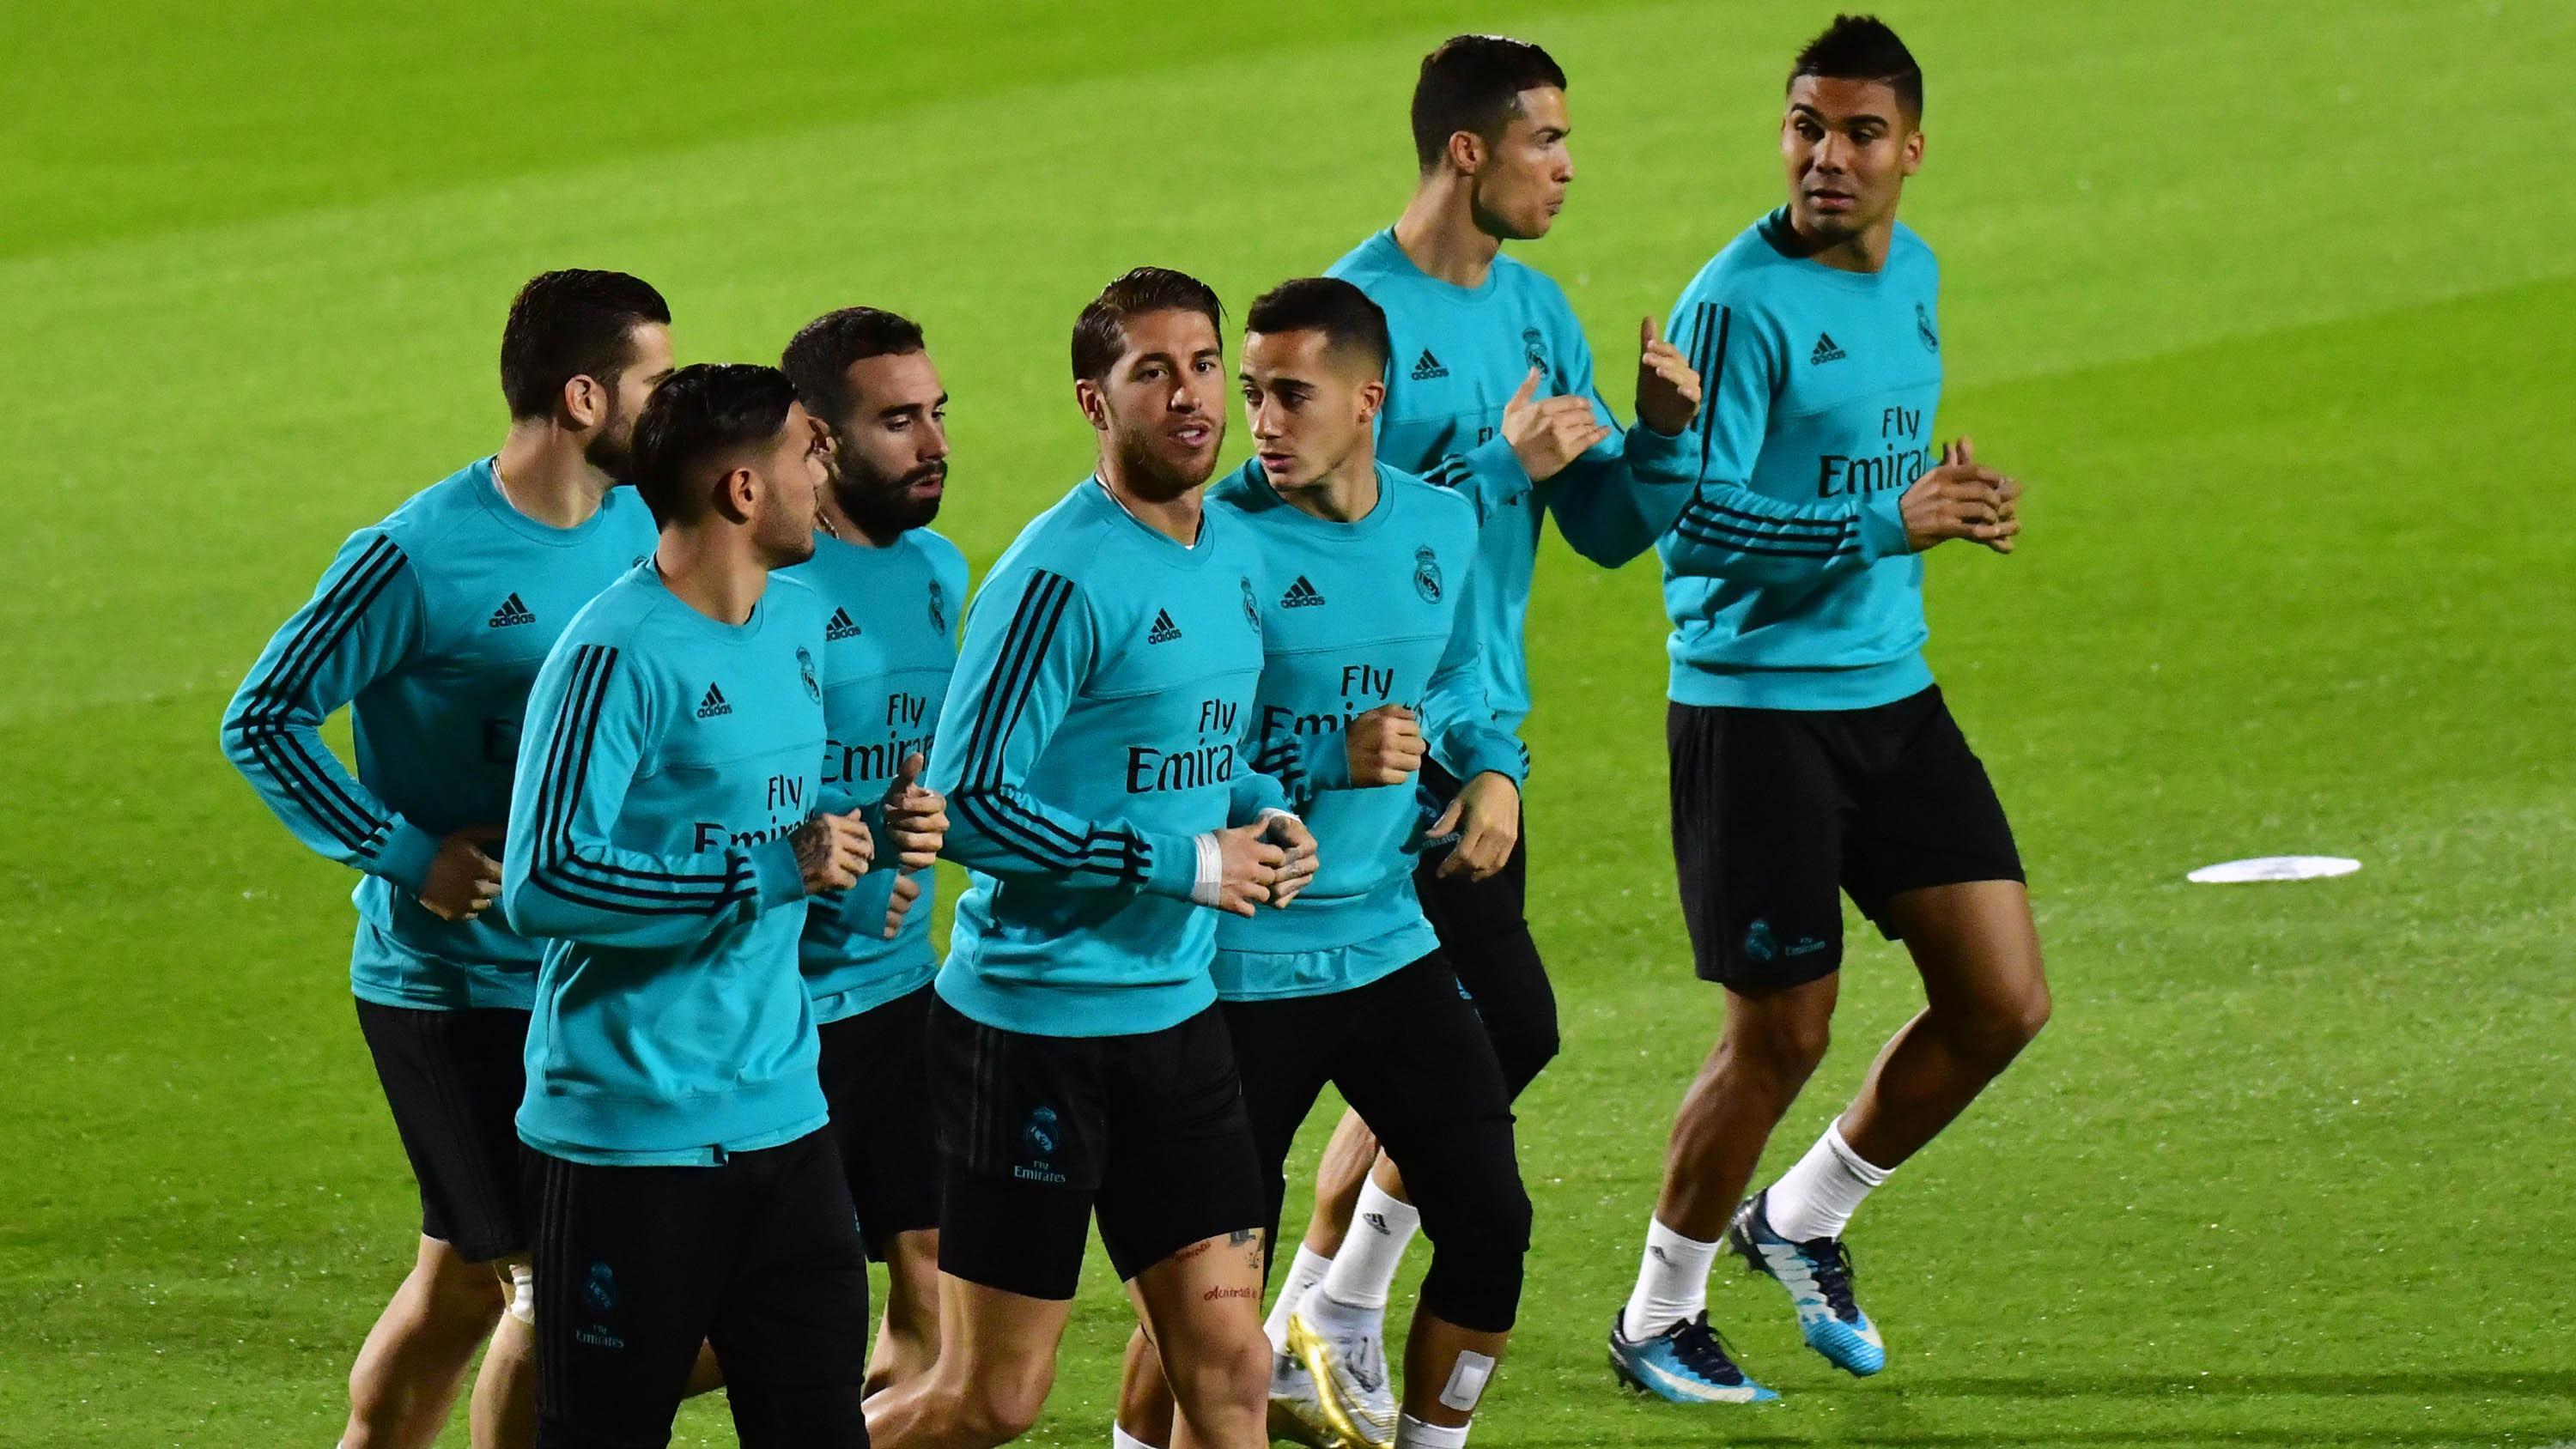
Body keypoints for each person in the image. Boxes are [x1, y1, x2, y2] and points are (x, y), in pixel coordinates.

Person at [1606, 15, 2047, 1405]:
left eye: (1859, 131)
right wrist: (1886, 520)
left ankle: (1799, 1216)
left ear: (1912, 149)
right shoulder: (1734, 303)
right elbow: (1690, 523)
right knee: (1780, 1033)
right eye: (1806, 125)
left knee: (2000, 997)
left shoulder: (1911, 270)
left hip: (1890, 693)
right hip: (1756, 712)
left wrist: (1940, 509)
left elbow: (1873, 475)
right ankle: (1656, 1311)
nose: (1828, 155)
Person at [1276, 33, 1704, 1428]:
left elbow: (1599, 528)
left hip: (1476, 728)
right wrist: (1487, 465)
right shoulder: (1350, 318)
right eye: (1549, 143)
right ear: (1471, 150)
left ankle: (1316, 1306)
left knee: (1484, 1039)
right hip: (1366, 746)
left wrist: (1660, 443)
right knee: (1491, 1029)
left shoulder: (1537, 313)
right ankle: (1315, 1306)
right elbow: (1304, 527)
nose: (1570, 168)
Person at [860, 268, 1317, 1449]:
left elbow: (1202, 752)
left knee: (1230, 1367)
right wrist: (1187, 867)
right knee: (991, 1401)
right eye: (1151, 372)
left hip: (1176, 1023)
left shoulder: (1230, 549)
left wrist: (1265, 817)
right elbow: (964, 811)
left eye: (1205, 366)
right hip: (1033, 1039)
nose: (1191, 397)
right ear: (1092, 401)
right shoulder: (1056, 579)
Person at [218, 269, 671, 1449]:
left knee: (469, 1279)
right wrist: (404, 852)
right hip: (456, 989)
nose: (669, 408)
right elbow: (261, 718)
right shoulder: (415, 556)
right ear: (584, 397)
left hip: (583, 969)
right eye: (654, 383)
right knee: (549, 1294)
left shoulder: (639, 524)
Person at [1109, 276, 1537, 1449]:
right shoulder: (1217, 539)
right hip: (1245, 961)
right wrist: (1321, 752)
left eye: (1291, 395)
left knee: (1491, 1218)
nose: (1262, 422)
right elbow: (1172, 746)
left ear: (1368, 401)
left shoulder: (1441, 522)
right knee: (1209, 1281)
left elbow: (1455, 672)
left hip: (1387, 938)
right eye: (1251, 394)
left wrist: (1492, 765)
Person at [503, 362, 907, 1447]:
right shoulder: (613, 653)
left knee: (822, 1428)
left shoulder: (797, 622)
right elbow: (541, 881)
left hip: (786, 1117)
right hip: (632, 1141)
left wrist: (864, 834)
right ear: (740, 490)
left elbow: (764, 814)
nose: (828, 470)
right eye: (807, 453)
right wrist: (771, 871)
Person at [777, 306, 971, 1397]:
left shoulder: (938, 569)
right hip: (783, 1014)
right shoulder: (770, 586)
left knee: (934, 1290)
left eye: (938, 413)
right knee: (754, 1318)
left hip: (903, 994)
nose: (936, 443)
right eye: (899, 421)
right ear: (819, 436)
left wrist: (916, 824)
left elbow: (922, 758)